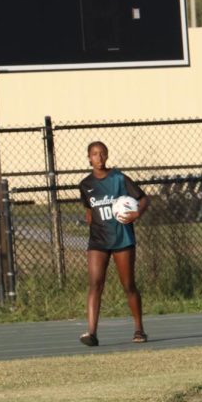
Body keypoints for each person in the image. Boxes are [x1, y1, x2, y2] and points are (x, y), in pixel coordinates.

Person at [77, 140, 149, 346]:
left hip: (121, 239)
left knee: (128, 285)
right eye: (94, 154)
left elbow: (144, 199)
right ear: (88, 157)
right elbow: (89, 211)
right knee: (95, 284)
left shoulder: (118, 178)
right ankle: (92, 333)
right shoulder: (85, 185)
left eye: (102, 154)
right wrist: (92, 226)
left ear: (107, 156)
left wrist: (137, 213)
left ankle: (139, 329)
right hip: (98, 241)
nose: (98, 158)